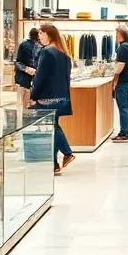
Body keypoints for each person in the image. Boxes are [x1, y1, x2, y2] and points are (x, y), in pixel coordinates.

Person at [30, 23, 75, 175]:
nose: (39, 38)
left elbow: (40, 77)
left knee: (52, 128)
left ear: (47, 34)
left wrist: (33, 96)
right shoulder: (64, 54)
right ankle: (54, 164)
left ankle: (67, 152)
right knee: (52, 127)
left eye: (41, 34)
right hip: (62, 97)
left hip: (48, 98)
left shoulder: (47, 52)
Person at [111, 25, 128, 142]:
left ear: (122, 34)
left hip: (124, 81)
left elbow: (120, 66)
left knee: (123, 107)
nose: (116, 36)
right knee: (126, 107)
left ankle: (125, 132)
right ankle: (126, 131)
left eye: (117, 34)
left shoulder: (123, 48)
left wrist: (114, 79)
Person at [15, 27, 40, 109]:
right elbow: (18, 62)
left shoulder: (42, 46)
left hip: (35, 78)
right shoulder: (24, 45)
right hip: (25, 78)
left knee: (29, 104)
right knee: (25, 104)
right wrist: (26, 69)